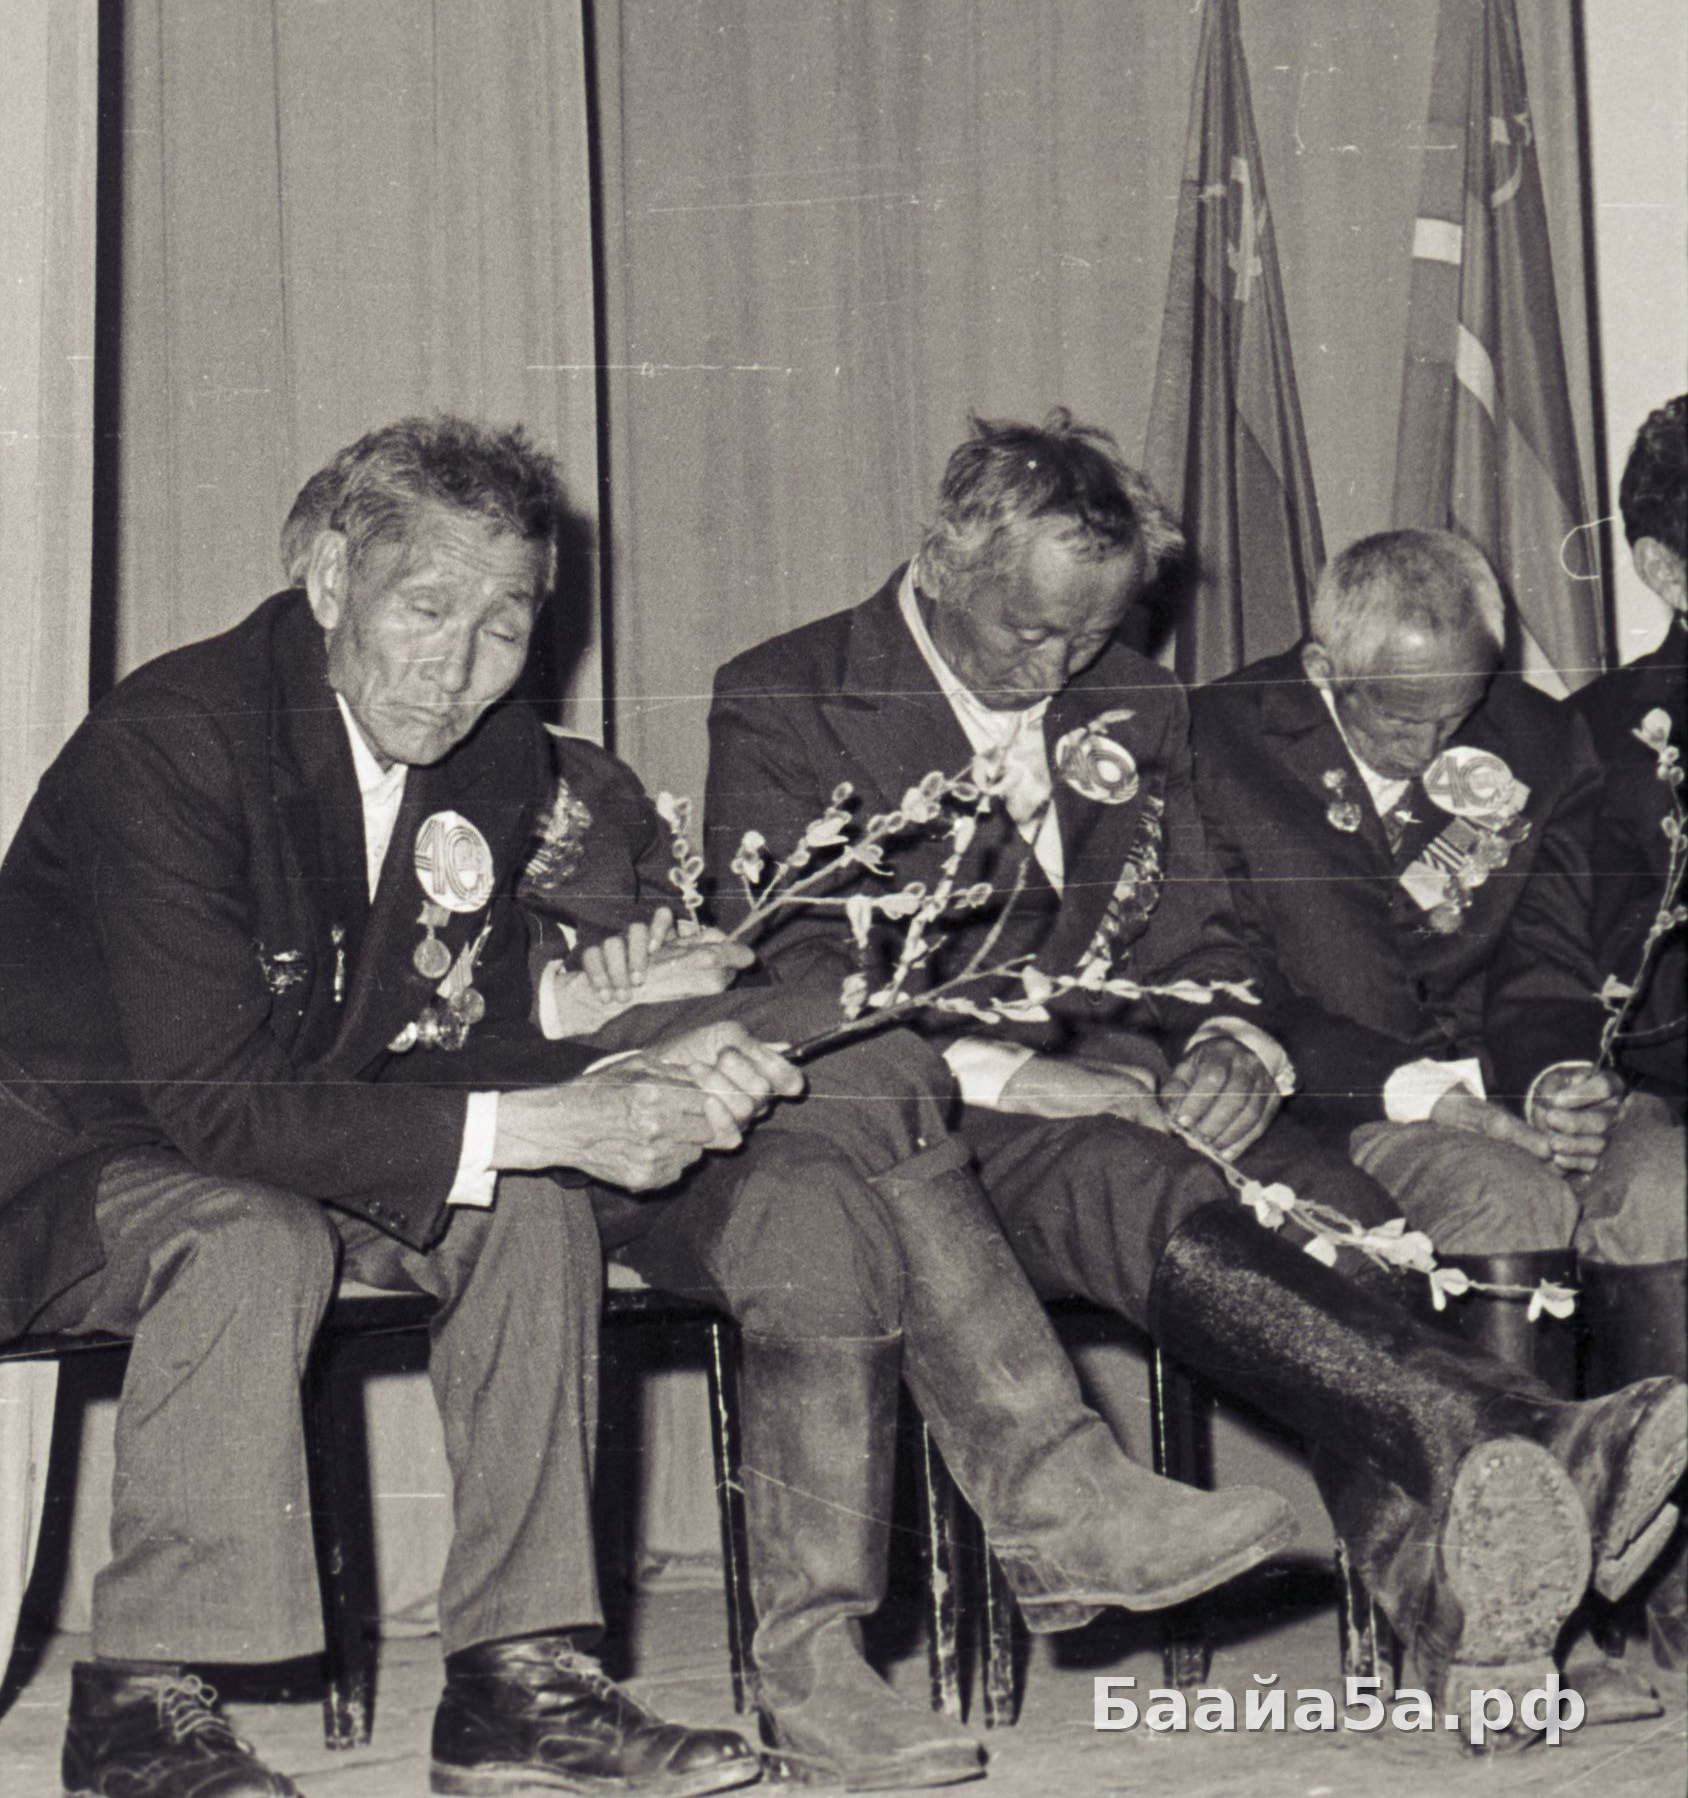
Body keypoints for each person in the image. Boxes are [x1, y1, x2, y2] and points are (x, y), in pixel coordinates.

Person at [0, 419, 1286, 1798]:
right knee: (262, 1236)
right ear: (331, 577)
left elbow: (433, 1026)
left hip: (306, 1126)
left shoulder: (490, 753)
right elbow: (220, 1099)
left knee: (578, 1186)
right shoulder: (173, 739)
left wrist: (599, 1040)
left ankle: (518, 1683)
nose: (460, 669)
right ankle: (139, 1700)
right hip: (63, 1169)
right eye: (426, 610)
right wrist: (548, 1114)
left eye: (504, 627)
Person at [706, 412, 1688, 1723]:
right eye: (1030, 632)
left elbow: (1207, 938)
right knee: (1132, 1175)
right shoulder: (786, 694)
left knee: (1350, 1210)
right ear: (941, 561)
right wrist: (1015, 1079)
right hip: (934, 1120)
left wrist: (1232, 1038)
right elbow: (795, 975)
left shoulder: (1136, 695)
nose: (1059, 669)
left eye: (1090, 635)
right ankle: (1531, 1444)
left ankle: (1471, 1621)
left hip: (1140, 1090)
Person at [1192, 529, 1681, 1340]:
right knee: (1505, 1196)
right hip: (1334, 1107)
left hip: (1506, 1086)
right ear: (1322, 668)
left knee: (1668, 1182)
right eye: (1398, 718)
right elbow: (1234, 988)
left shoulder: (1544, 742)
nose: (1429, 750)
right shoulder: (1210, 743)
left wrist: (1554, 1080)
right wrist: (1426, 1098)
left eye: (1457, 714)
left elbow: (1546, 961)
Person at [1568, 395, 1688, 1678]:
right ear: (1663, 568)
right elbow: (1579, 978)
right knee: (1651, 1197)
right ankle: (1675, 1572)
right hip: (1665, 1085)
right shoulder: (1603, 737)